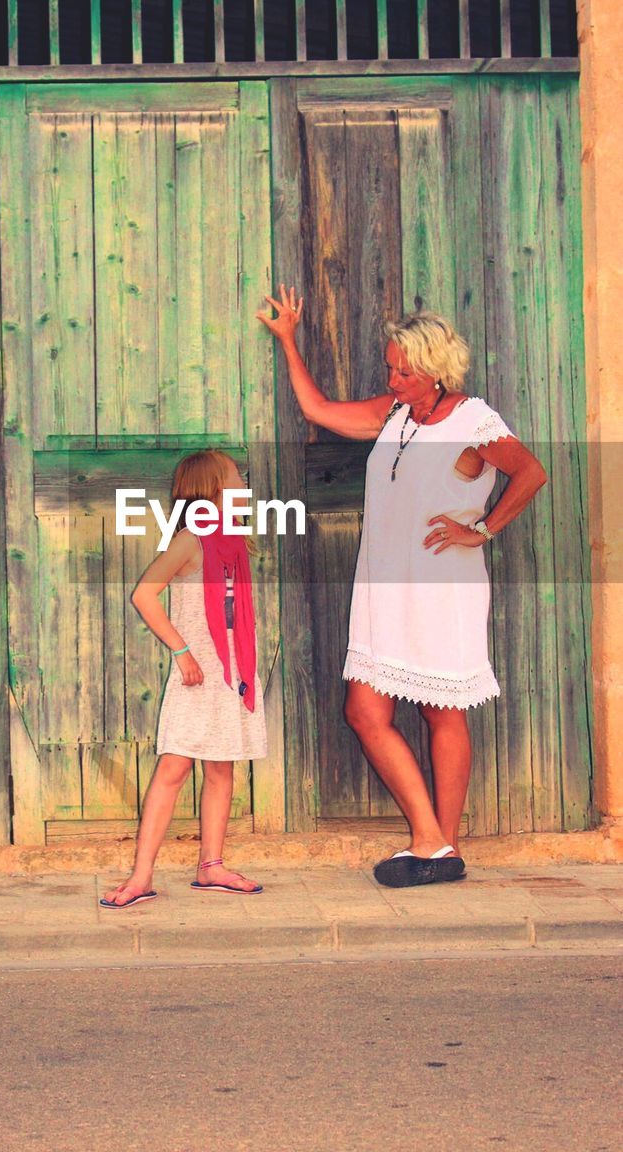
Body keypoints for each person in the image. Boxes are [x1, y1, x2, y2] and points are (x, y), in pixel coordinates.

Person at [258, 291, 547, 888]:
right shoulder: (393, 412)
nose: (392, 377)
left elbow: (531, 472)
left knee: (443, 712)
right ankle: (434, 842)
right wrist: (288, 339)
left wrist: (483, 530)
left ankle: (440, 845)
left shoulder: (474, 421)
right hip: (384, 582)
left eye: (404, 370)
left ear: (436, 369)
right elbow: (318, 410)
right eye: (390, 366)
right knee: (365, 711)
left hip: (443, 583)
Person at [100, 449, 268, 908]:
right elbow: (145, 595)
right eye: (235, 480)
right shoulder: (190, 540)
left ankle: (211, 865)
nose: (244, 488)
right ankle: (141, 876)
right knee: (173, 769)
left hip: (231, 673)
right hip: (199, 674)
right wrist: (181, 649)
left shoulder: (233, 541)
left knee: (221, 768)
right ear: (210, 491)